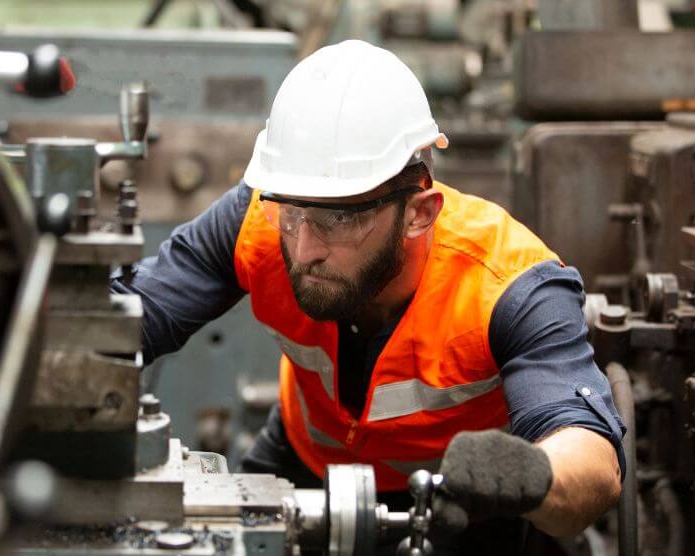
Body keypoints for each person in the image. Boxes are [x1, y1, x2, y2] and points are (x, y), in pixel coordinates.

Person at [113, 40, 624, 553]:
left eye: (340, 218)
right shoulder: (258, 224)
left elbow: (592, 465)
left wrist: (529, 475)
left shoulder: (509, 285)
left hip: (461, 497)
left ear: (420, 212)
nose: (305, 248)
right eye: (291, 214)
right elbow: (131, 314)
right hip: (305, 461)